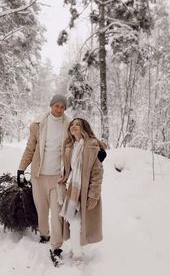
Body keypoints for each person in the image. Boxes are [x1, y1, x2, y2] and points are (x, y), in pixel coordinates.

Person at [17, 94, 71, 263]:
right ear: (51, 106)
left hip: (58, 177)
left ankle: (56, 247)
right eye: (57, 106)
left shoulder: (70, 126)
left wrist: (98, 150)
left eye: (62, 107)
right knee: (42, 209)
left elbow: (83, 141)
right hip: (39, 176)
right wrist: (21, 169)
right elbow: (30, 148)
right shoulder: (38, 125)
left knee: (57, 214)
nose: (59, 110)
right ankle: (44, 234)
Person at [57, 118, 104, 266]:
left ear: (84, 128)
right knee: (71, 221)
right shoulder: (70, 146)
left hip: (84, 191)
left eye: (78, 124)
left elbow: (97, 173)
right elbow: (67, 168)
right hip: (73, 189)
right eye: (72, 124)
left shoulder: (91, 146)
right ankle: (76, 249)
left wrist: (93, 195)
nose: (74, 127)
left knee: (76, 223)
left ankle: (77, 255)